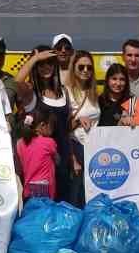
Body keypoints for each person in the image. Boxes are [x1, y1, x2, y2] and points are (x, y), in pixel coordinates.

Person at [16, 45, 76, 202]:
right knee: (40, 207)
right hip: (39, 163)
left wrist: (72, 158)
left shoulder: (64, 92)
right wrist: (35, 58)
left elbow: (66, 129)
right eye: (41, 64)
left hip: (62, 157)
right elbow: (17, 81)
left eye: (49, 62)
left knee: (63, 203)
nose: (45, 67)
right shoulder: (31, 92)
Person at [62, 49, 100, 206]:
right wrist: (78, 121)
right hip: (76, 148)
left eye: (89, 67)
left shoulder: (94, 93)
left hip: (93, 149)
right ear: (74, 68)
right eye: (81, 67)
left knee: (89, 195)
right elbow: (62, 128)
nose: (86, 70)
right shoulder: (66, 92)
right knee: (75, 197)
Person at [16, 111, 59, 200]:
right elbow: (57, 160)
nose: (53, 130)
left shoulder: (20, 143)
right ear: (42, 125)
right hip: (45, 189)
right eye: (52, 126)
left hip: (28, 190)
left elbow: (20, 168)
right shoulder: (49, 142)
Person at [97, 63, 132, 127]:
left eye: (122, 79)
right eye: (114, 79)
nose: (118, 83)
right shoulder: (99, 101)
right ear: (107, 80)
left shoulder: (132, 101)